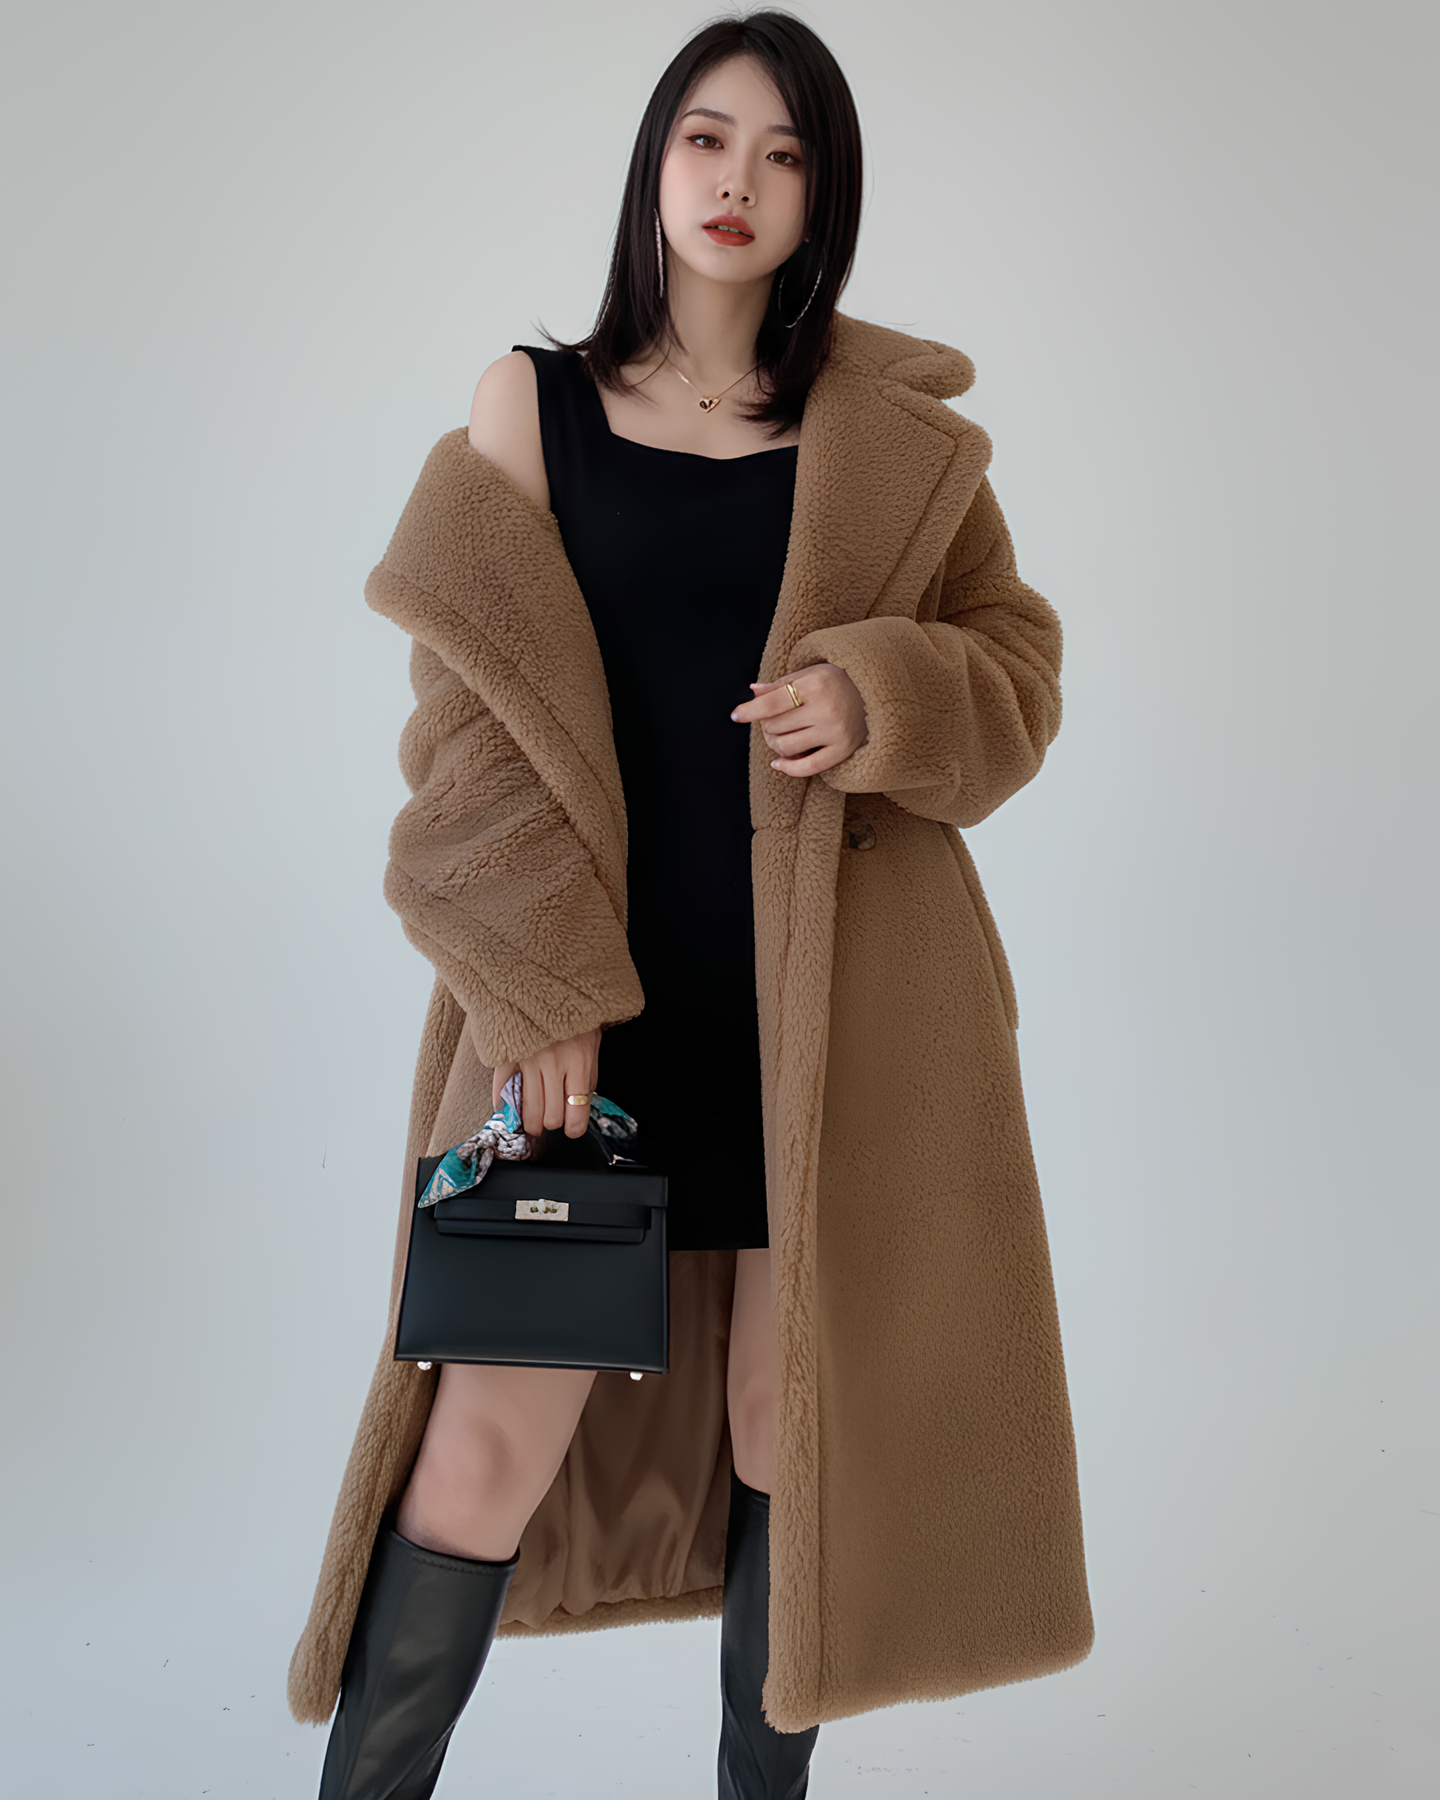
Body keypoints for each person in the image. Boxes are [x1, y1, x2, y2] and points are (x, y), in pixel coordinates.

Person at [289, 11, 1093, 1797]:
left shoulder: (889, 443)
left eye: (786, 154)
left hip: (830, 1029)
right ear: (655, 165)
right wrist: (541, 985)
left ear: (824, 199)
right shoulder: (535, 404)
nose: (740, 181)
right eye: (708, 140)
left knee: (786, 1443)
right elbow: (462, 743)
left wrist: (880, 697)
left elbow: (1017, 674)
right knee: (476, 1455)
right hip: (589, 1023)